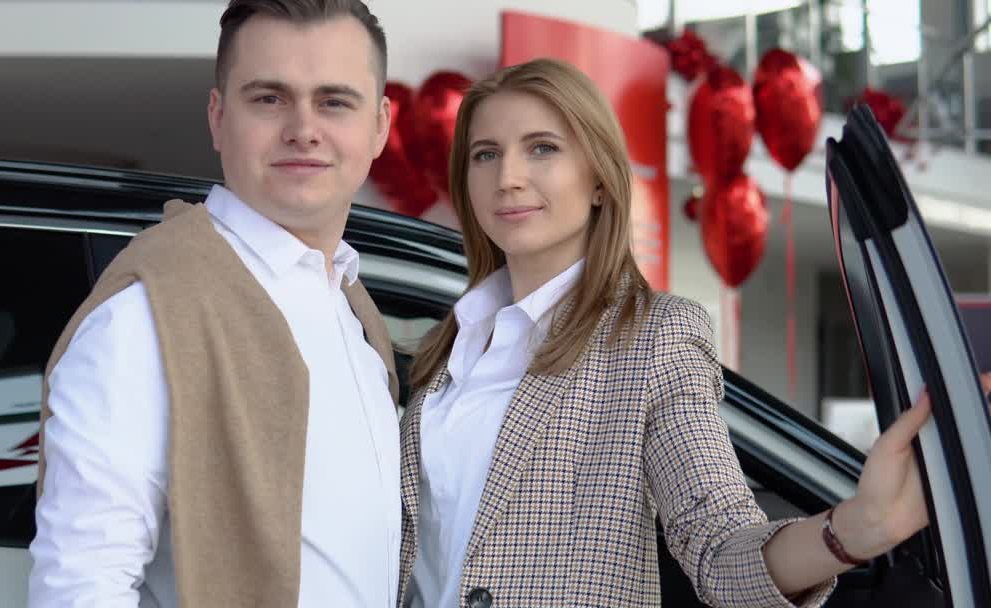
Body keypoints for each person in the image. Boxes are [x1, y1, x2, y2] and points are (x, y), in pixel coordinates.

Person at [398, 57, 972, 608]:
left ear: (600, 180)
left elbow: (720, 547)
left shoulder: (655, 336)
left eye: (542, 148)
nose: (508, 177)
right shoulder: (445, 346)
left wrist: (855, 529)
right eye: (485, 154)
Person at [29, 0, 402, 607]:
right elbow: (81, 583)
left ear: (380, 127)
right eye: (270, 99)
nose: (303, 129)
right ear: (218, 117)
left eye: (335, 102)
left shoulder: (354, 313)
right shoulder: (150, 310)